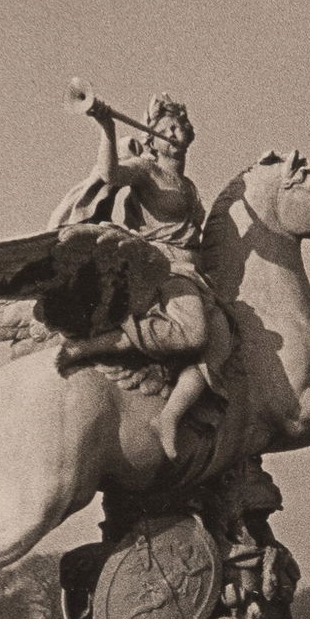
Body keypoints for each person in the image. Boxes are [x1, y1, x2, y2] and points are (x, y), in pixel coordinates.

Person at [48, 93, 231, 461]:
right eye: (166, 129)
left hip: (192, 274)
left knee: (220, 341)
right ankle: (91, 347)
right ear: (152, 138)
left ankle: (172, 415)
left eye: (180, 125)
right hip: (166, 269)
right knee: (194, 333)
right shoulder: (147, 171)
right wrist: (106, 127)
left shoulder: (189, 185)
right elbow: (109, 174)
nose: (176, 132)